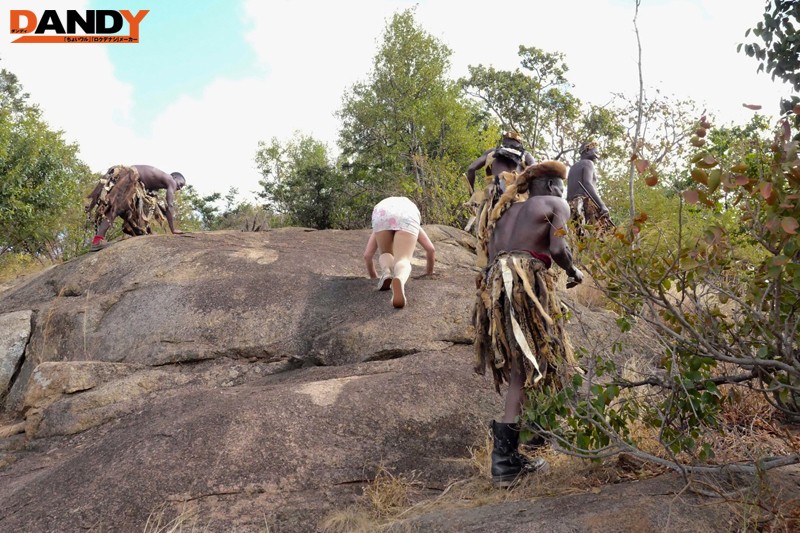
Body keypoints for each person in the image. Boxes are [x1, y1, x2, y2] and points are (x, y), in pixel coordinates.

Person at [472, 160, 583, 488]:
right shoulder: (556, 204)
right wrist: (573, 271)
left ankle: (523, 446)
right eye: (561, 187)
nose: (563, 193)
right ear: (551, 186)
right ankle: (505, 462)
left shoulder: (504, 214)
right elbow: (558, 247)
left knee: (525, 367)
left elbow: (493, 256)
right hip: (524, 286)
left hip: (498, 289)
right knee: (527, 368)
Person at [466, 131, 536, 268]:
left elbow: (471, 169)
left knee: (485, 231)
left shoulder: (493, 152)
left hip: (495, 194)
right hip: (519, 196)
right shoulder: (527, 156)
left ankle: (488, 265)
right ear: (519, 143)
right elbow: (536, 173)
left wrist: (471, 194)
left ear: (504, 141)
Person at [86, 164, 186, 251]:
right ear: (174, 177)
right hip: (130, 175)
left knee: (126, 209)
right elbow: (170, 205)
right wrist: (173, 229)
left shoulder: (158, 183)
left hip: (130, 176)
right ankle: (97, 241)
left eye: (181, 187)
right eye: (180, 184)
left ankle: (138, 232)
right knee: (116, 209)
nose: (179, 187)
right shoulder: (170, 180)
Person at [363, 196, 435, 309]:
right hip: (407, 214)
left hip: (381, 213)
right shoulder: (408, 209)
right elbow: (430, 249)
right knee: (403, 259)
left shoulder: (385, 209)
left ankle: (386, 273)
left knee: (385, 253)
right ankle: (400, 278)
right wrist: (429, 273)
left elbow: (367, 255)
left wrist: (373, 277)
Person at [566, 141, 613, 235]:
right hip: (584, 206)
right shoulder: (588, 163)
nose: (596, 155)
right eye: (595, 151)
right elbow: (587, 184)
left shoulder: (573, 167)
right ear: (587, 150)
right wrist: (602, 205)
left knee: (576, 235)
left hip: (570, 207)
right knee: (593, 235)